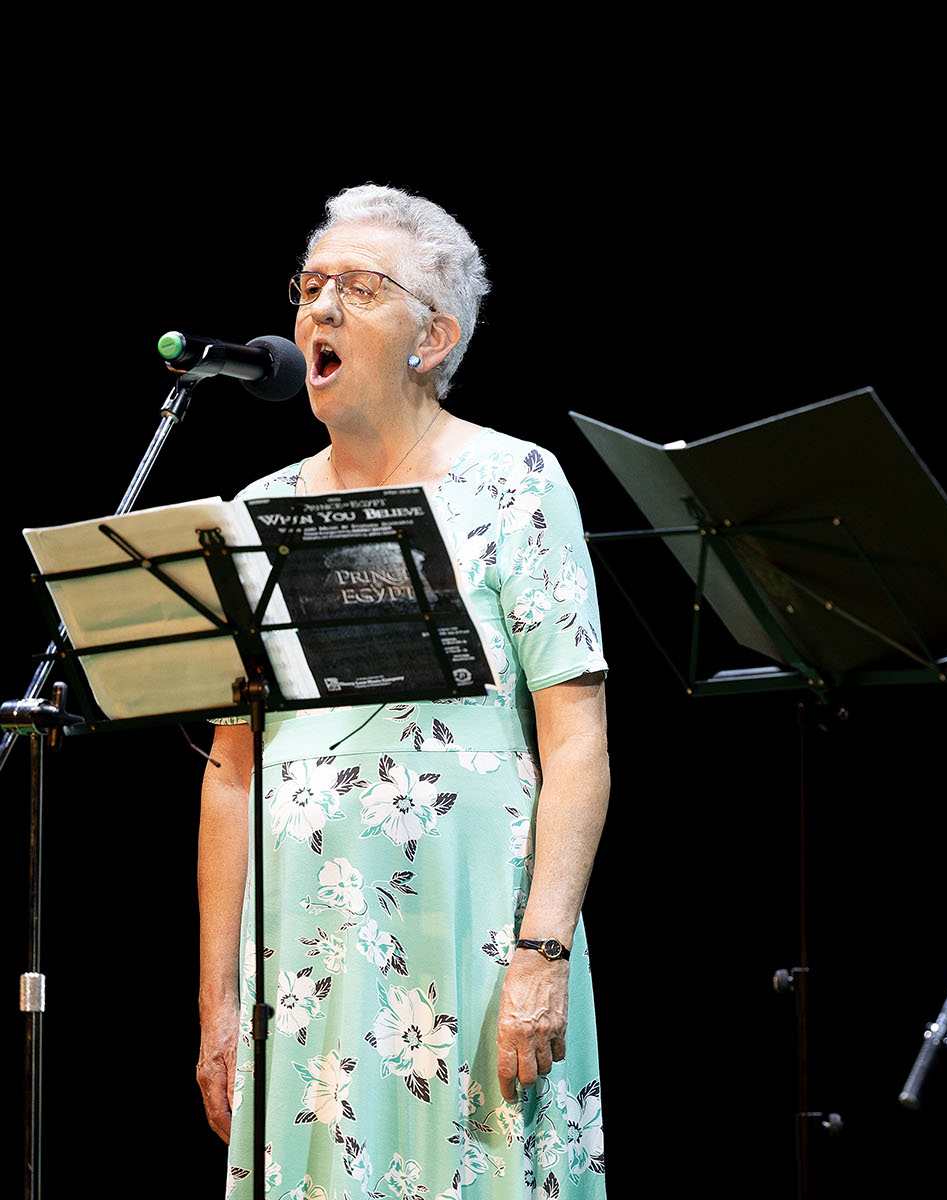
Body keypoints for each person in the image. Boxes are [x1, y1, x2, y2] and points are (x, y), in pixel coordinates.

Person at [195, 185, 611, 1198]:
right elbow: (229, 772)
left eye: (360, 287)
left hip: (476, 942)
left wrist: (543, 950)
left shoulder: (517, 482)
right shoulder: (259, 510)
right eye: (311, 286)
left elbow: (577, 741)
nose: (319, 311)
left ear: (434, 338)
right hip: (302, 964)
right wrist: (216, 1005)